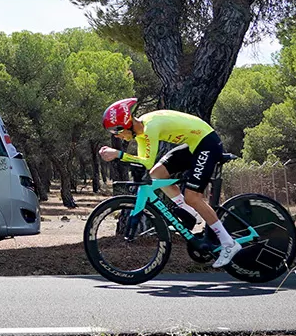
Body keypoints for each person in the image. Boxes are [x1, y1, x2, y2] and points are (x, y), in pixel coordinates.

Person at [96, 98, 241, 268]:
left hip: (206, 142)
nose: (118, 136)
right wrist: (121, 156)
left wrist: (119, 154)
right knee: (156, 175)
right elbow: (146, 164)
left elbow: (147, 161)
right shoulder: (141, 132)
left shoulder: (150, 128)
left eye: (117, 132)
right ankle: (189, 213)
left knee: (193, 197)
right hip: (194, 143)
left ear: (126, 124)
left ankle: (229, 243)